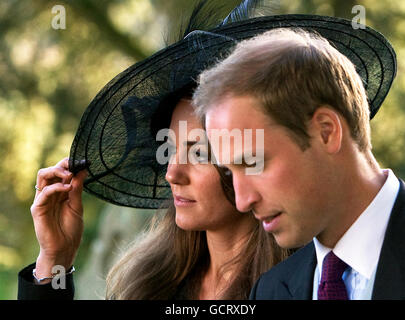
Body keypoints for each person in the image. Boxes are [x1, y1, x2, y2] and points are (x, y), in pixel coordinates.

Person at [17, 0, 290, 300]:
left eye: (198, 153)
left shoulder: (304, 283)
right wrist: (55, 258)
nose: (172, 173)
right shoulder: (147, 282)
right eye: (170, 149)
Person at [193, 27, 405, 300]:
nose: (242, 201)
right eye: (230, 172)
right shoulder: (269, 291)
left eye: (254, 162)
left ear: (326, 131)